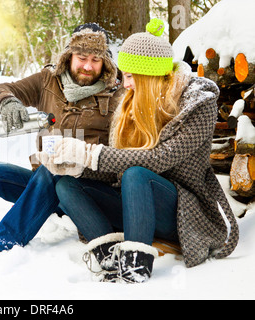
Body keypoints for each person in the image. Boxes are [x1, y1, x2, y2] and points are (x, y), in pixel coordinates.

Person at [37, 19, 239, 283]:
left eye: (130, 76)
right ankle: (107, 256)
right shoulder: (130, 104)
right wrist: (75, 164)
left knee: (136, 174)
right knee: (66, 184)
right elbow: (115, 173)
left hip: (182, 213)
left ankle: (135, 267)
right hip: (135, 205)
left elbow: (161, 158)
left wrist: (89, 153)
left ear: (149, 76)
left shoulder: (198, 104)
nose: (125, 84)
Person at [0, 23, 125, 255]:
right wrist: (7, 102)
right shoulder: (48, 80)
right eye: (82, 57)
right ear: (69, 55)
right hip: (41, 186)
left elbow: (121, 157)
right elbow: (2, 88)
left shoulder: (119, 95)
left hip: (83, 190)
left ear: (105, 62)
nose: (87, 66)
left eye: (96, 59)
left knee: (54, 169)